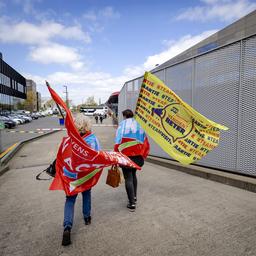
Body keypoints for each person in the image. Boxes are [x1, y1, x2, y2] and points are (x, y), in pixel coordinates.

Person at [61, 114, 100, 246]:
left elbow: (62, 155)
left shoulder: (69, 139)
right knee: (86, 194)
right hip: (85, 175)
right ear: (88, 125)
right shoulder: (92, 139)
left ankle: (67, 227)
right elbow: (97, 157)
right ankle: (87, 217)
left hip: (71, 175)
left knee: (70, 200)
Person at [114, 109, 150, 211]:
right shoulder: (139, 124)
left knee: (128, 178)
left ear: (125, 116)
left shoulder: (122, 125)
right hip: (137, 156)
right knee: (133, 175)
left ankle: (132, 203)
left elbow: (118, 140)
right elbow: (144, 140)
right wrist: (143, 154)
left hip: (126, 155)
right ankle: (134, 197)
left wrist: (116, 155)